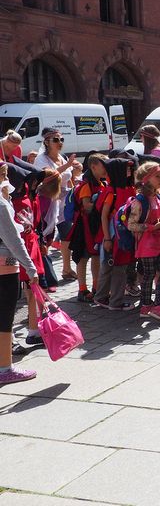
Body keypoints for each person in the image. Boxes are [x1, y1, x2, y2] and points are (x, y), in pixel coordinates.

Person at [0, 163, 39, 386]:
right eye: (3, 174)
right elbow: (13, 240)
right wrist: (31, 268)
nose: (6, 178)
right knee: (5, 320)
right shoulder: (1, 205)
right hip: (5, 267)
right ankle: (5, 368)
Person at [126, 162, 160, 324]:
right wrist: (152, 227)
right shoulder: (140, 201)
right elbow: (131, 225)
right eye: (157, 176)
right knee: (148, 275)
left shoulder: (159, 196)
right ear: (146, 179)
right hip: (147, 245)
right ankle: (146, 306)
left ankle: (158, 306)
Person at [34, 127, 80, 279]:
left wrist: (75, 171)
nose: (59, 142)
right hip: (47, 203)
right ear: (47, 142)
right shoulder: (41, 159)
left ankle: (66, 269)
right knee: (46, 236)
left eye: (61, 139)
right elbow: (48, 177)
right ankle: (41, 271)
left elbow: (69, 178)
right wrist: (68, 166)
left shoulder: (62, 157)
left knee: (67, 236)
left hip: (64, 203)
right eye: (56, 140)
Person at [93, 158, 137, 311]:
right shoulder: (112, 191)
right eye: (126, 169)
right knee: (117, 267)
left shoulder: (129, 188)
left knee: (112, 267)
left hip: (123, 234)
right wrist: (106, 238)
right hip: (114, 235)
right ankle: (115, 301)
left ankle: (101, 297)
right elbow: (104, 216)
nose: (130, 172)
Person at [67, 152, 108, 302]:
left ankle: (96, 287)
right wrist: (102, 204)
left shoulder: (103, 184)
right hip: (84, 227)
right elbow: (87, 206)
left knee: (96, 257)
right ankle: (82, 289)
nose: (106, 169)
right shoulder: (86, 185)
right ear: (93, 166)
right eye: (104, 165)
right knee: (83, 258)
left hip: (96, 226)